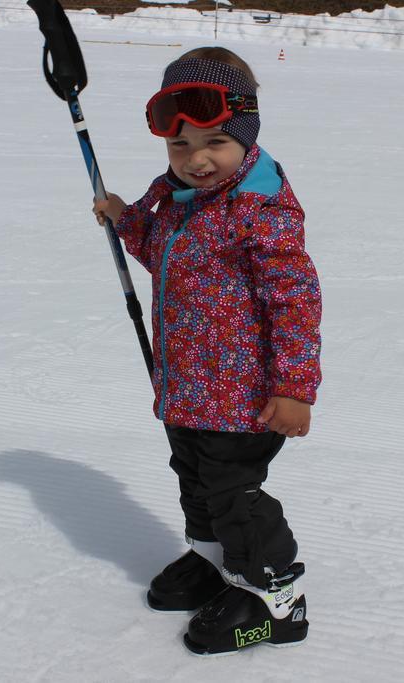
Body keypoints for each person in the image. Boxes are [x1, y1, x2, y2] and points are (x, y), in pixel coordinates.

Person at [93, 46, 322, 655]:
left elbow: (295, 303)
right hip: (188, 389)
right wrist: (126, 221)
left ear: (246, 136)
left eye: (215, 143)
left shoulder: (260, 210)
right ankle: (214, 562)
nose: (196, 160)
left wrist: (294, 389)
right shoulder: (172, 198)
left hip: (246, 397)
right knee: (194, 482)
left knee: (234, 494)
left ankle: (276, 597)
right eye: (180, 146)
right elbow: (167, 259)